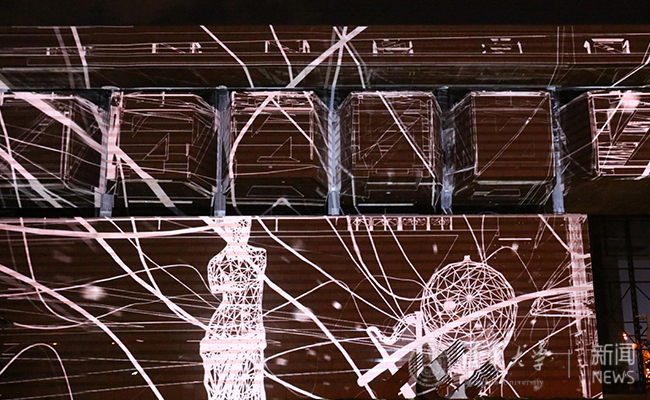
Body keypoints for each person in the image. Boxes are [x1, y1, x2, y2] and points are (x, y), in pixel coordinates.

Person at [200, 217, 267, 400]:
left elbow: (255, 290)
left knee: (249, 381)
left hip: (250, 322)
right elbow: (215, 287)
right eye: (236, 228)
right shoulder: (216, 261)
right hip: (227, 320)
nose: (241, 233)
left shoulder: (258, 255)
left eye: (244, 228)